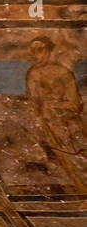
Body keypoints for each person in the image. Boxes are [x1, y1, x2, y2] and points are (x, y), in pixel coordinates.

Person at [26, 35, 87, 188]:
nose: (36, 54)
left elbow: (75, 104)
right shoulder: (32, 73)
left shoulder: (62, 72)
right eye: (33, 50)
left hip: (67, 128)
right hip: (47, 128)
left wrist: (55, 106)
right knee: (61, 169)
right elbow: (34, 103)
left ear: (49, 51)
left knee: (78, 164)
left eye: (40, 50)